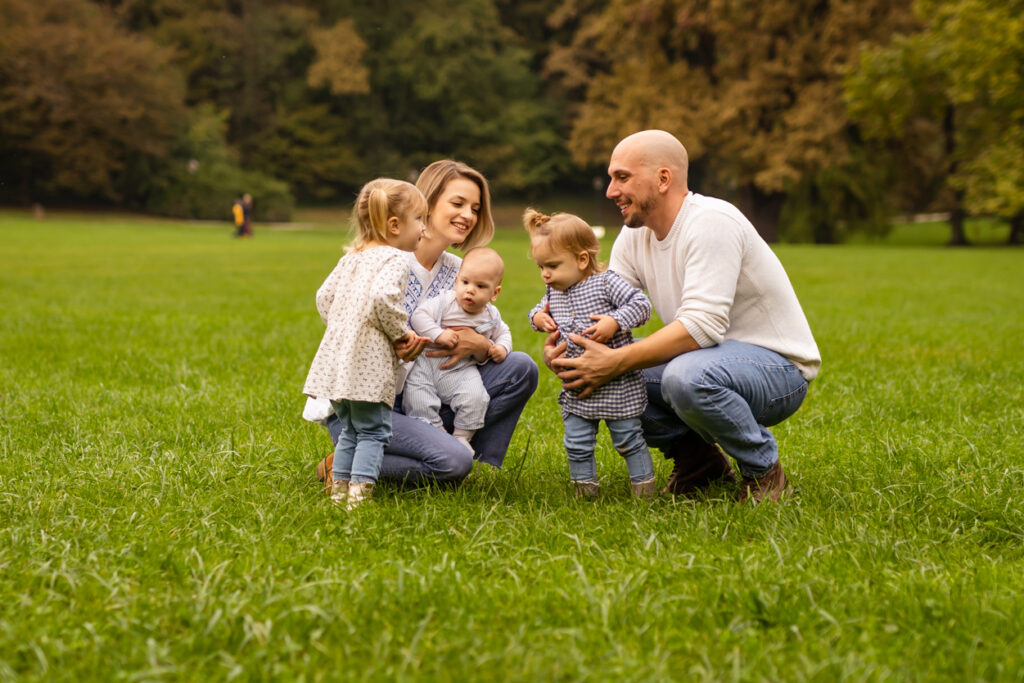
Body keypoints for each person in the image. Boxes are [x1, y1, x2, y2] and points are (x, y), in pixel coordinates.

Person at [546, 130, 821, 503]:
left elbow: (701, 328)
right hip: (711, 360)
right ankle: (699, 464)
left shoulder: (711, 222)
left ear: (663, 179)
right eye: (611, 178)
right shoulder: (635, 234)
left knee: (684, 377)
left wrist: (615, 362)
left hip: (778, 370)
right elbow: (605, 310)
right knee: (621, 375)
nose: (611, 191)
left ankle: (765, 473)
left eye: (622, 177)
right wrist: (569, 348)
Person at [311, 160, 538, 488]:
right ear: (426, 203)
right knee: (451, 464)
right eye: (457, 203)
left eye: (475, 208)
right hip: (369, 396)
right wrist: (392, 342)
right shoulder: (383, 259)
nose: (468, 215)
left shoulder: (463, 272)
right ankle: (348, 460)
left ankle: (449, 444)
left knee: (521, 368)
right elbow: (333, 307)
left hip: (430, 392)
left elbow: (490, 329)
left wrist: (483, 346)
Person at [303, 178, 429, 509]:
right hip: (368, 363)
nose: (424, 229)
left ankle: (339, 492)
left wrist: (344, 326)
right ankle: (359, 496)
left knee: (350, 430)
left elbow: (323, 297)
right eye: (420, 220)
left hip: (338, 363)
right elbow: (382, 297)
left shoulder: (352, 258)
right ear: (393, 225)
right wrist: (400, 333)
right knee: (373, 432)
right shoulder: (398, 259)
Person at [525, 209, 656, 498]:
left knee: (628, 439)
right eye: (541, 267)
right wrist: (537, 319)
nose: (545, 274)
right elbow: (536, 309)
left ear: (582, 259)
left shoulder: (607, 282)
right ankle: (585, 492)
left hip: (617, 383)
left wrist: (615, 321)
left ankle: (644, 489)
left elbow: (641, 304)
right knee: (577, 442)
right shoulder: (555, 290)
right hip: (577, 386)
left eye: (552, 265)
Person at [405, 247, 512, 454]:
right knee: (418, 397)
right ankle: (436, 431)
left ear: (495, 293)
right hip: (426, 363)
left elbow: (504, 333)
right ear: (457, 281)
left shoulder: (491, 315)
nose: (470, 290)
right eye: (465, 282)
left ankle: (462, 436)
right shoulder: (445, 302)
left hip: (461, 369)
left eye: (480, 286)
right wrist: (438, 334)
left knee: (476, 398)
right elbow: (419, 316)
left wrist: (501, 347)